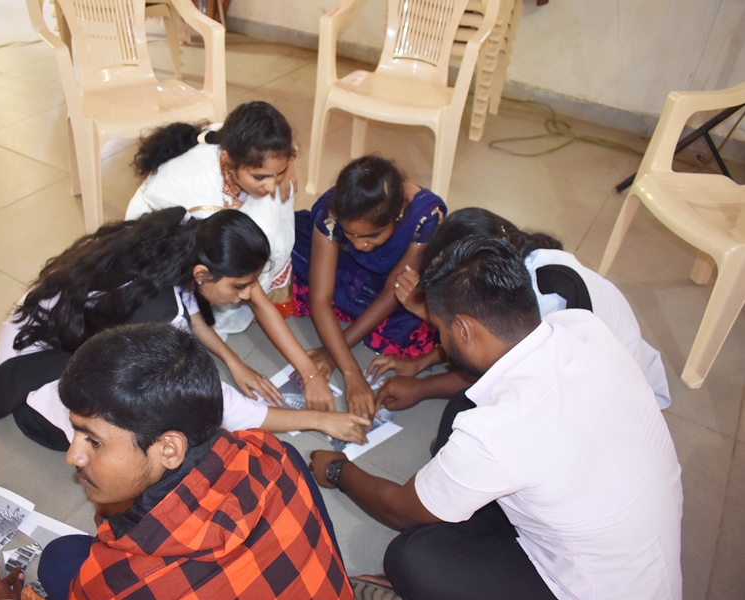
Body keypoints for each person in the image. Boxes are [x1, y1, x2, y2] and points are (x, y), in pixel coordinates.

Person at [309, 237, 683, 600]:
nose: (440, 343)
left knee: (411, 558)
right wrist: (422, 388)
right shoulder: (583, 327)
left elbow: (401, 509)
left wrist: (339, 471)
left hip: (589, 588)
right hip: (626, 542)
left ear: (464, 329)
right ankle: (454, 492)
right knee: (463, 404)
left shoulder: (494, 431)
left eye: (440, 330)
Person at [0, 323, 354, 600]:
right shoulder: (272, 452)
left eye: (94, 441)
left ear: (169, 449)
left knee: (60, 560)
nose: (73, 455)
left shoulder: (117, 581)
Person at [0, 208, 369, 452]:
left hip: (46, 322)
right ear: (203, 274)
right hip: (40, 388)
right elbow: (220, 404)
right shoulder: (158, 316)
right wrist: (319, 421)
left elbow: (190, 311)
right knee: (161, 430)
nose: (248, 295)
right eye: (240, 286)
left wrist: (234, 361)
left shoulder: (186, 232)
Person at [369, 207, 671, 411]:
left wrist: (422, 387)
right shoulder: (531, 263)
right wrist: (421, 363)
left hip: (611, 401)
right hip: (616, 368)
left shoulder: (529, 309)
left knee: (462, 418)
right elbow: (475, 338)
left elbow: (487, 363)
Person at [291, 156, 446, 419]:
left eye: (373, 235)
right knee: (293, 261)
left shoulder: (426, 215)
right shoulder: (332, 212)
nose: (360, 245)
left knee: (412, 317)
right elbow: (320, 300)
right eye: (350, 234)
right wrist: (350, 372)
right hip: (343, 263)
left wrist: (332, 353)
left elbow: (393, 291)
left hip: (395, 276)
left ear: (398, 214)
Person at [126, 100, 298, 333]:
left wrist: (288, 164)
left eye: (278, 172)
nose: (270, 185)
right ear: (227, 162)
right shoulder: (199, 198)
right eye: (260, 176)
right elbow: (229, 259)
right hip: (162, 238)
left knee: (273, 205)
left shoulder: (235, 144)